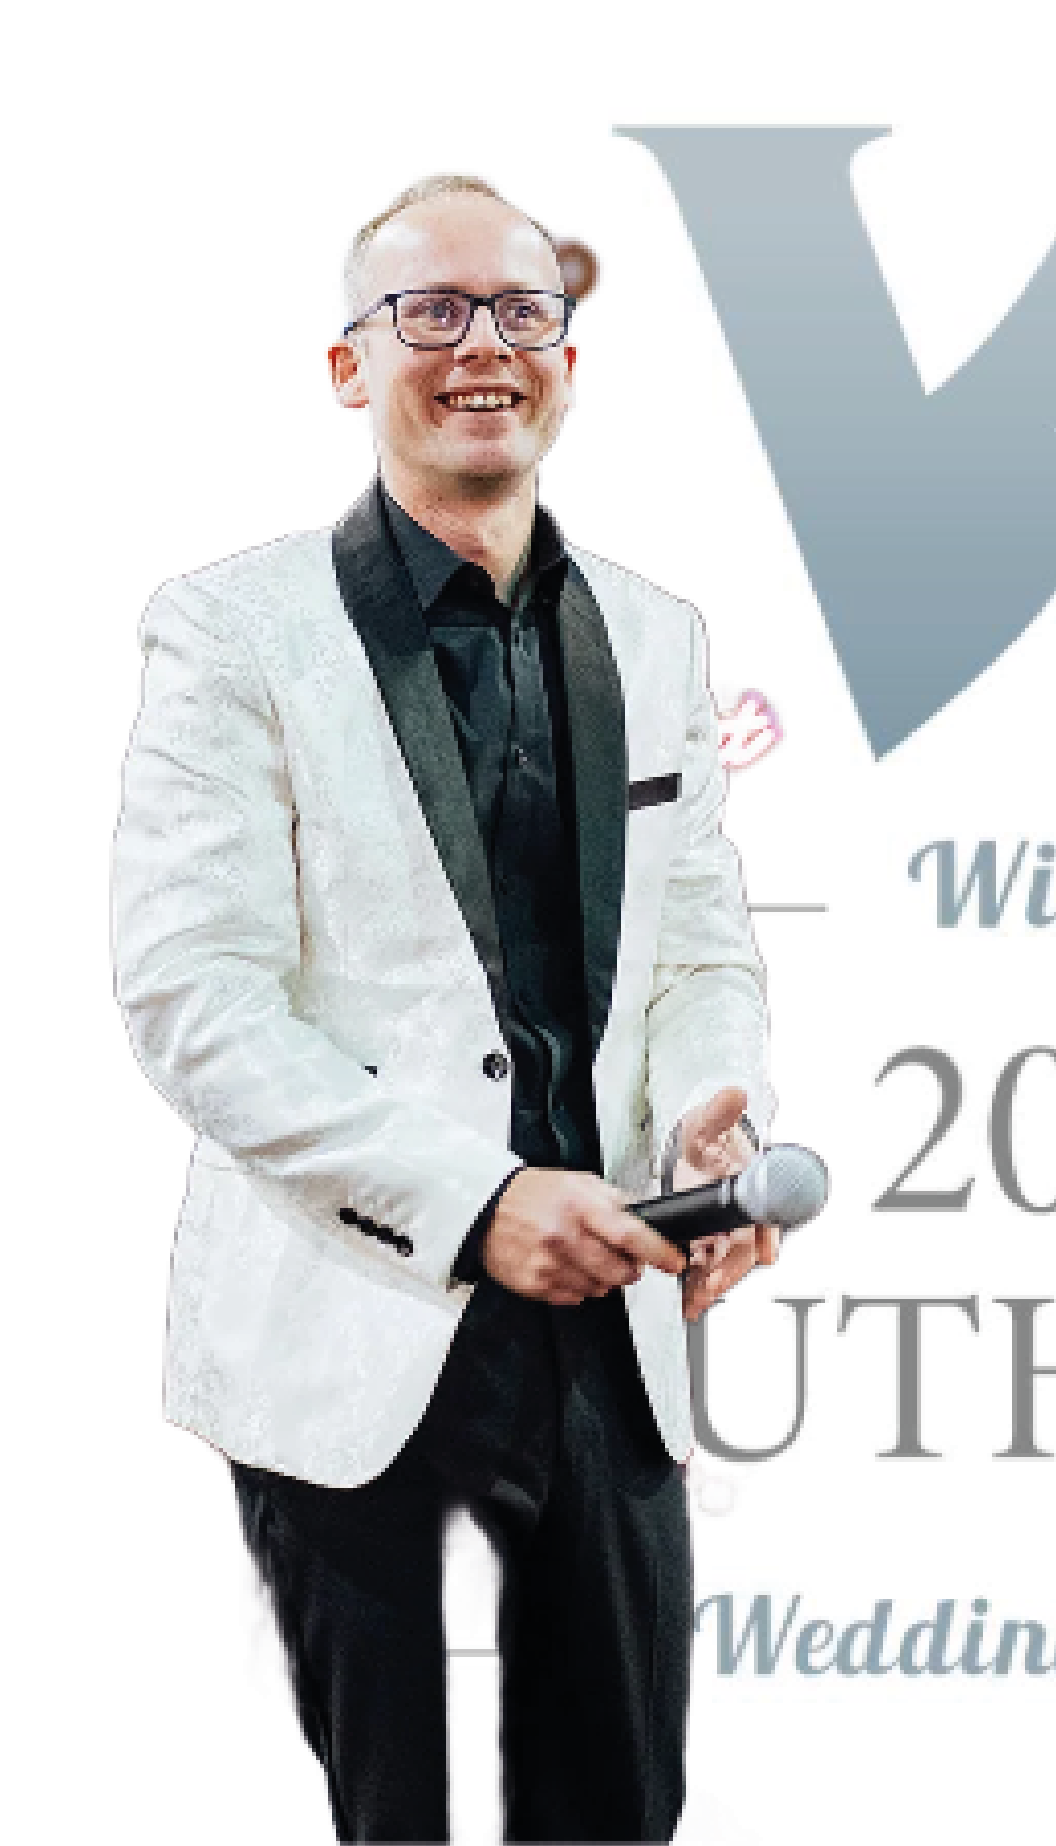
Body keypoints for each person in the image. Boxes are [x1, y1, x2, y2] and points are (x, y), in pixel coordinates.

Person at [110, 173, 780, 1842]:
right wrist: (477, 1202)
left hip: (614, 1335)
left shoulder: (658, 629)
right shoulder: (228, 630)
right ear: (351, 367)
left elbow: (702, 949)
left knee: (619, 1809)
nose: (483, 343)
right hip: (357, 1331)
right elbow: (194, 995)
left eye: (523, 308)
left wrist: (717, 1109)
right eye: (431, 311)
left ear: (568, 357)